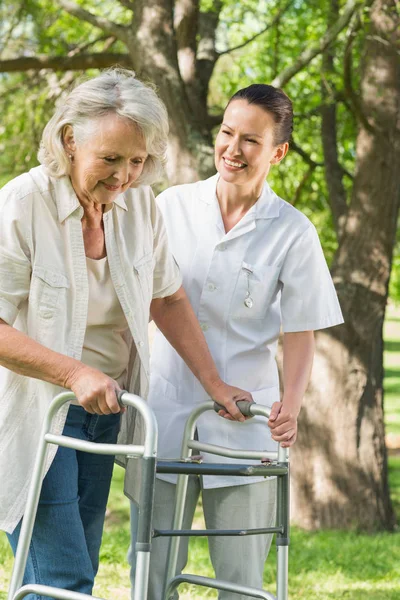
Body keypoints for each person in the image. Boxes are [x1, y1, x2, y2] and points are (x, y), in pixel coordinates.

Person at [0, 69, 253, 598]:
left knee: (75, 568)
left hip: (106, 408)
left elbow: (168, 296)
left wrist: (214, 383)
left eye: (136, 161)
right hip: (35, 409)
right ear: (70, 140)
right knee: (61, 575)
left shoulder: (139, 205)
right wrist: (73, 372)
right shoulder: (23, 204)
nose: (123, 176)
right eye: (110, 159)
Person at [129, 84, 344, 599]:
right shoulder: (171, 207)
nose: (233, 148)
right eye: (227, 132)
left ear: (278, 152)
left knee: (241, 581)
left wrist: (289, 407)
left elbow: (300, 331)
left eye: (251, 139)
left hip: (247, 423)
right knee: (150, 578)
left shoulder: (293, 231)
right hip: (165, 410)